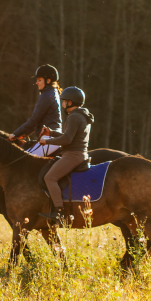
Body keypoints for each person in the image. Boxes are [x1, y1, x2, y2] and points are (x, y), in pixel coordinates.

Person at [38, 86, 94, 222]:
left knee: (49, 178)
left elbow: (67, 140)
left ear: (70, 102)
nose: (63, 104)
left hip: (73, 155)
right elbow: (68, 136)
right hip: (78, 153)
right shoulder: (82, 115)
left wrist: (47, 141)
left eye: (64, 101)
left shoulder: (74, 117)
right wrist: (51, 133)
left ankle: (59, 212)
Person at [8, 64, 63, 157]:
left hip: (50, 139)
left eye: (39, 80)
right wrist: (24, 134)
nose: (36, 83)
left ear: (48, 80)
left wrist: (15, 134)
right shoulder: (51, 93)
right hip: (50, 138)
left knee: (24, 161)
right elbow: (37, 122)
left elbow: (33, 121)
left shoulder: (46, 96)